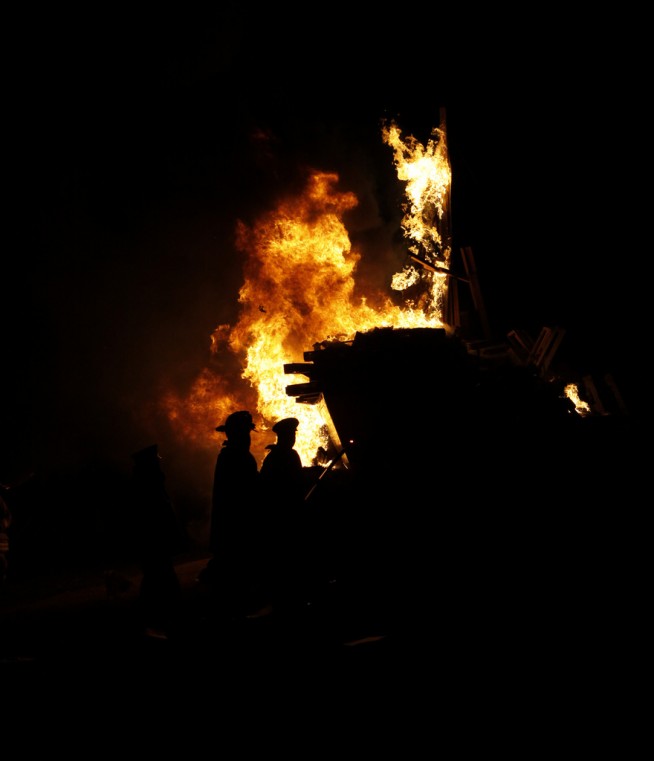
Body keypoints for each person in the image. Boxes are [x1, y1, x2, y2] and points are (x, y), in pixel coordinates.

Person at [201, 410, 263, 617]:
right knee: (236, 580)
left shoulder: (230, 456)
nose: (248, 437)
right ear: (237, 434)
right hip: (237, 529)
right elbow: (248, 492)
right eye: (246, 433)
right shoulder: (237, 458)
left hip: (232, 528)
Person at [258, 417, 313, 613]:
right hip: (284, 517)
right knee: (288, 559)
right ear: (284, 436)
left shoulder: (278, 456)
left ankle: (287, 599)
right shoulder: (283, 456)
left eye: (293, 435)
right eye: (290, 435)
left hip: (284, 515)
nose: (293, 438)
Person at [130, 444, 185, 638]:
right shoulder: (146, 485)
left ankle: (159, 620)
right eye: (156, 458)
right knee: (158, 579)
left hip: (156, 543)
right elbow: (152, 517)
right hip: (153, 543)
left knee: (158, 579)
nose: (160, 460)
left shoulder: (151, 482)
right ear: (149, 462)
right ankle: (153, 623)